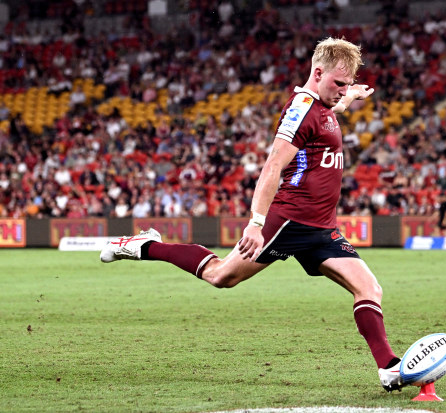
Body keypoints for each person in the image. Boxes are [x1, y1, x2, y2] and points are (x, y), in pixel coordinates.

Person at [100, 38, 404, 392]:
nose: (342, 90)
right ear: (317, 73)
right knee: (220, 276)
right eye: (339, 84)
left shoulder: (323, 105)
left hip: (321, 228)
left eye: (347, 84)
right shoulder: (302, 109)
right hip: (288, 221)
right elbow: (273, 165)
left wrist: (350, 96)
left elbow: (325, 118)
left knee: (368, 288)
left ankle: (389, 367)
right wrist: (256, 223)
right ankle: (144, 246)